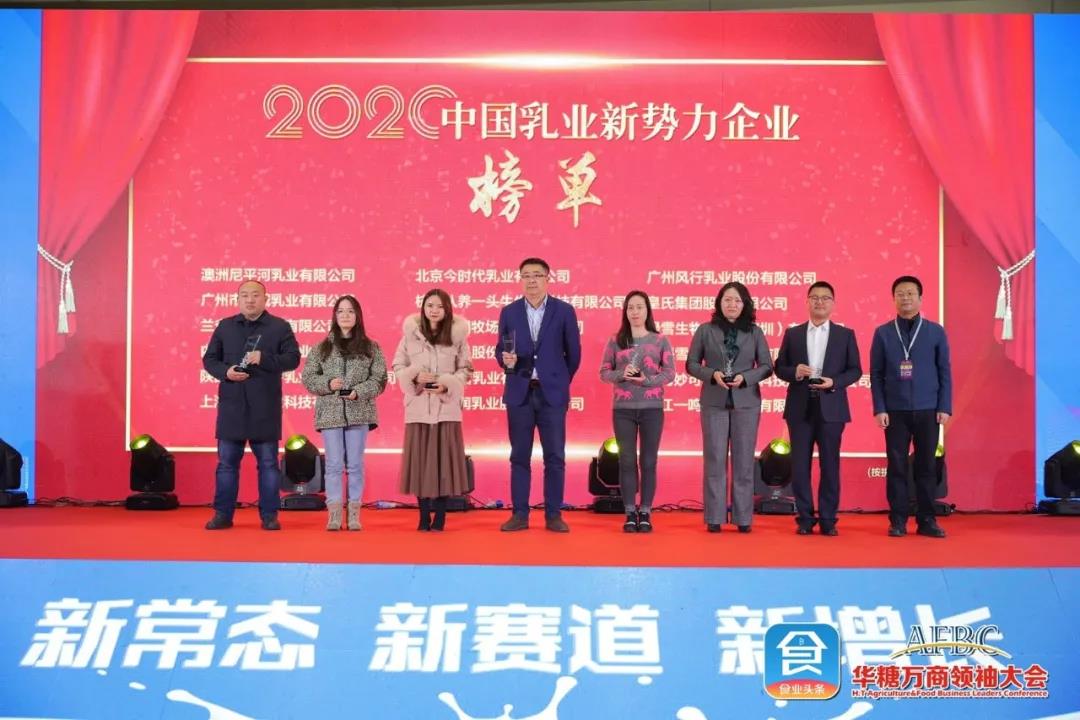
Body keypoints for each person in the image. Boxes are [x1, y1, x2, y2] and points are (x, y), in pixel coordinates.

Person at [202, 280, 300, 531]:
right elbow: (209, 359)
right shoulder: (225, 326)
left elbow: (293, 359)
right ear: (237, 300)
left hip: (264, 407)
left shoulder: (279, 327)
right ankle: (222, 515)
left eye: (255, 295)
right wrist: (226, 372)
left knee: (268, 464)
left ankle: (269, 516)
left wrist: (264, 358)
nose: (250, 299)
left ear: (265, 299)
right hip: (232, 406)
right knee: (226, 465)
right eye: (244, 295)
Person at [495, 258, 581, 533]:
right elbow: (500, 350)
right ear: (520, 279)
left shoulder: (564, 311)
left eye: (537, 275)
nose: (531, 280)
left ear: (547, 278)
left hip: (551, 395)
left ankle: (553, 515)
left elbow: (574, 355)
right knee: (519, 456)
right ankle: (519, 514)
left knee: (554, 457)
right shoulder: (509, 312)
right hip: (519, 393)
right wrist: (505, 360)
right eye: (526, 275)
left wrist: (557, 381)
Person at [775, 281, 862, 536]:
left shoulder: (845, 335)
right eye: (815, 297)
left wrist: (834, 382)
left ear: (833, 303)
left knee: (830, 465)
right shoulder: (793, 334)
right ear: (807, 302)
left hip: (831, 407)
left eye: (825, 298)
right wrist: (795, 372)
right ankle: (804, 518)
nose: (820, 302)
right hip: (800, 407)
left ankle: (827, 519)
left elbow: (855, 370)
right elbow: (779, 368)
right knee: (800, 467)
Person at [687, 282, 773, 533]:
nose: (732, 305)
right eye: (727, 300)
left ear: (745, 304)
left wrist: (745, 377)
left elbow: (767, 366)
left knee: (744, 461)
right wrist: (712, 374)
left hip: (746, 402)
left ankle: (743, 518)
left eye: (737, 300)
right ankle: (714, 517)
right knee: (714, 459)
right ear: (719, 303)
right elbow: (691, 364)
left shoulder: (755, 332)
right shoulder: (705, 330)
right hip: (714, 401)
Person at [870, 275, 952, 539]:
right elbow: (876, 374)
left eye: (910, 293)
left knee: (926, 466)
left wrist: (944, 406)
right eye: (900, 294)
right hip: (894, 411)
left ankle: (927, 519)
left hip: (929, 409)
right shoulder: (883, 333)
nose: (905, 298)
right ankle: (898, 520)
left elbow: (944, 371)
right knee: (896, 466)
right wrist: (879, 408)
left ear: (920, 298)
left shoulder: (935, 331)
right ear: (893, 299)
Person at [300, 295, 387, 531]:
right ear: (334, 316)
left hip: (360, 412)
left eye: (350, 311)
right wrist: (328, 384)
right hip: (330, 413)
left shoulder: (371, 348)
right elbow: (308, 378)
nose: (345, 315)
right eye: (340, 311)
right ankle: (335, 514)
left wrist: (359, 392)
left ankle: (355, 513)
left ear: (358, 315)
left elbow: (379, 379)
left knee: (355, 465)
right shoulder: (322, 348)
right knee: (334, 465)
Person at [392, 289, 473, 532]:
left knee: (443, 465)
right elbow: (398, 365)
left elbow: (465, 370)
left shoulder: (457, 336)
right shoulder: (410, 336)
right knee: (419, 464)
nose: (434, 310)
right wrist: (414, 375)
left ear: (447, 309)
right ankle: (423, 516)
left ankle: (440, 517)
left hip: (446, 409)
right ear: (423, 308)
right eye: (430, 305)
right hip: (417, 408)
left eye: (439, 306)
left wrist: (447, 383)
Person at [598, 291, 676, 533]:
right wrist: (622, 375)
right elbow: (604, 373)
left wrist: (647, 381)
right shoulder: (615, 340)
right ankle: (630, 512)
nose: (635, 312)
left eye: (639, 307)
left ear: (647, 310)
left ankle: (646, 512)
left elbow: (670, 373)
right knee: (627, 460)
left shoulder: (660, 340)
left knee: (649, 461)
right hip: (623, 410)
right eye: (630, 307)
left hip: (652, 409)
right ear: (625, 311)